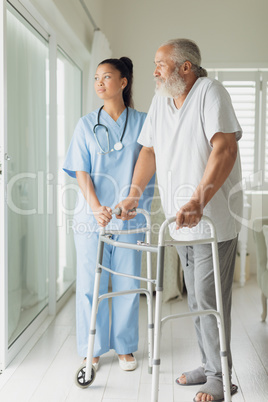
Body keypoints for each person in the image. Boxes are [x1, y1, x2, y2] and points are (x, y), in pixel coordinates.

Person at [116, 39, 243, 401]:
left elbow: (226, 148)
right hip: (179, 221)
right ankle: (210, 363)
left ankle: (221, 378)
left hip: (212, 219)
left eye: (161, 64)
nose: (154, 70)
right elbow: (150, 151)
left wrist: (199, 199)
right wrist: (133, 194)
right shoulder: (161, 101)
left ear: (185, 67)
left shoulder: (210, 92)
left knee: (209, 299)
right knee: (196, 300)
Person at [63, 57, 154, 372]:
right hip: (93, 218)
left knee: (127, 283)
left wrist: (129, 199)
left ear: (124, 82)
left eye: (107, 77)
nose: (99, 83)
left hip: (131, 217)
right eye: (96, 78)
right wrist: (96, 207)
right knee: (91, 285)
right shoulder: (86, 123)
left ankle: (126, 347)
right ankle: (93, 348)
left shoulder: (144, 122)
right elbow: (80, 169)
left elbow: (152, 159)